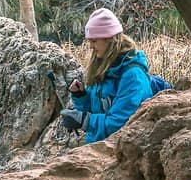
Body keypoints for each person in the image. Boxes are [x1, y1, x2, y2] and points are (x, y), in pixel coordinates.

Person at [60, 8, 153, 143]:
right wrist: (81, 96)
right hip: (99, 148)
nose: (90, 46)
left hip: (120, 152)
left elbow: (119, 124)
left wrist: (84, 120)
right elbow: (95, 110)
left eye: (94, 41)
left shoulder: (133, 76)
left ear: (109, 38)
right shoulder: (105, 67)